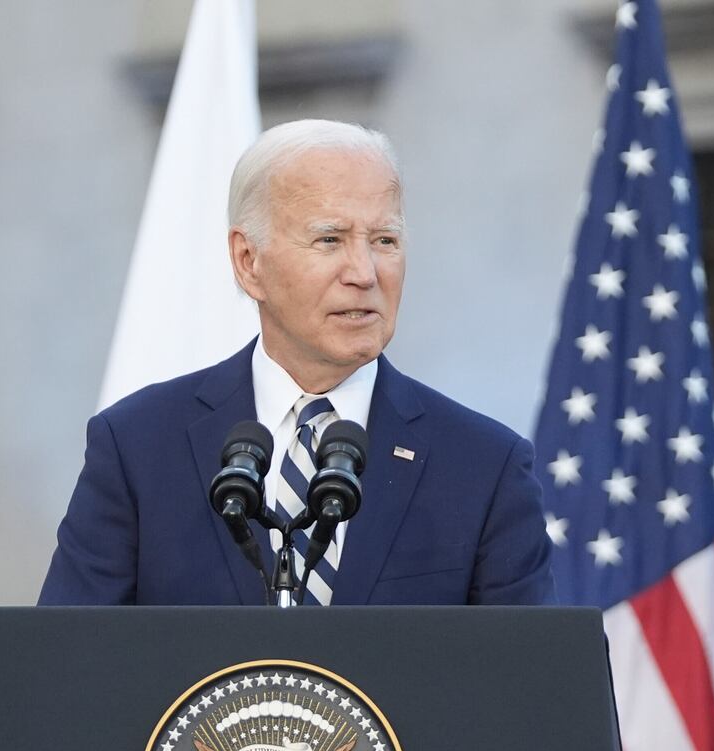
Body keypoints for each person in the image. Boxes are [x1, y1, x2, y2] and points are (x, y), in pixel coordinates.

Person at [39, 119, 554, 607]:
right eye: (330, 239)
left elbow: (535, 686)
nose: (364, 272)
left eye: (385, 241)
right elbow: (64, 671)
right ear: (249, 261)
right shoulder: (137, 448)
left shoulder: (485, 468)